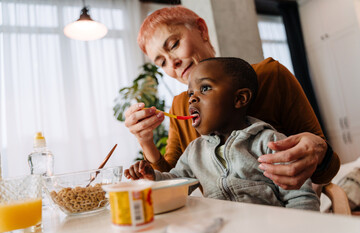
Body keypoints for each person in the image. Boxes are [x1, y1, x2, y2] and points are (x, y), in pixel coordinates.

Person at [124, 6, 340, 190]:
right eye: (161, 62)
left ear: (201, 30)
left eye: (173, 45)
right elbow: (174, 183)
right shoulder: (181, 105)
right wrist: (146, 141)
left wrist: (318, 151)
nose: (172, 63)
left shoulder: (269, 76)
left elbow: (326, 172)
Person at [125, 57, 320, 211]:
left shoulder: (270, 142)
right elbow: (177, 184)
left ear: (240, 99)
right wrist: (152, 177)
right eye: (190, 94)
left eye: (205, 88)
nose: (192, 99)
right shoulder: (195, 151)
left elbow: (301, 198)